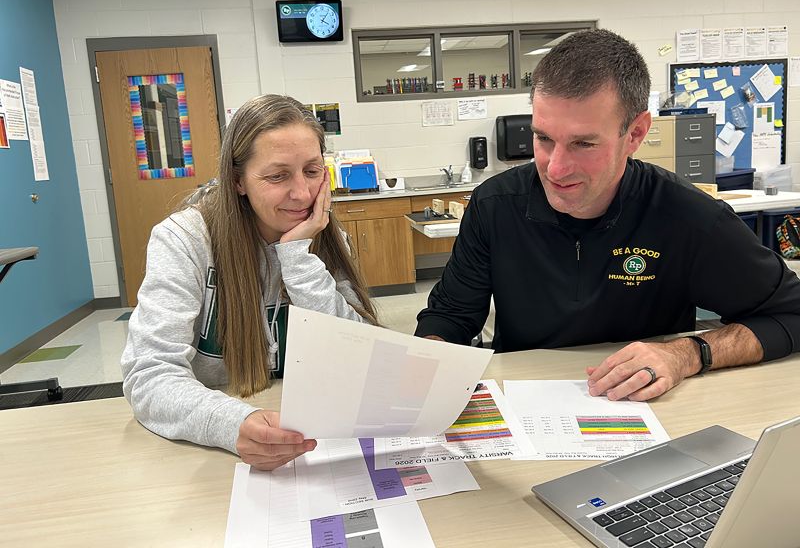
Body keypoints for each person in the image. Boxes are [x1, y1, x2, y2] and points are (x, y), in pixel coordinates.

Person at [416, 29, 800, 402]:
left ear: (635, 134)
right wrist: (427, 364)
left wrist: (687, 353)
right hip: (523, 405)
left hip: (646, 407)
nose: (555, 168)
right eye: (543, 138)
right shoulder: (494, 206)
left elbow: (792, 314)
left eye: (583, 143)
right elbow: (450, 316)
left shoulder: (689, 217)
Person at [122, 94, 377, 471]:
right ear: (238, 180)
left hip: (314, 439)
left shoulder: (325, 237)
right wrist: (232, 423)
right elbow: (149, 375)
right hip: (211, 449)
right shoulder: (184, 240)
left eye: (312, 171)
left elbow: (362, 359)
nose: (302, 194)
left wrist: (297, 257)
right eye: (277, 176)